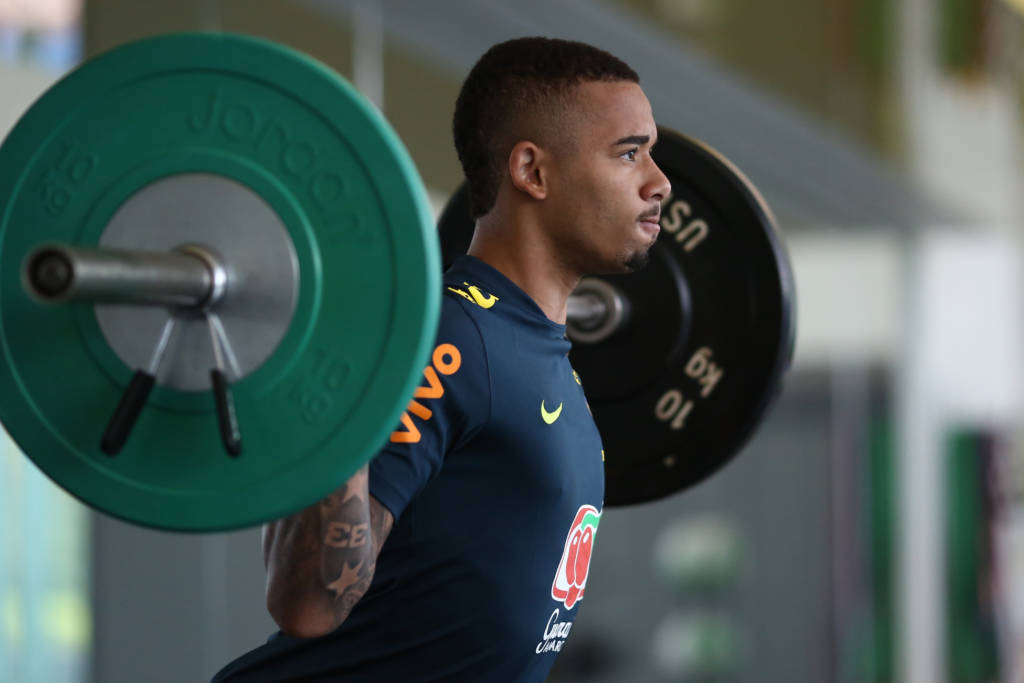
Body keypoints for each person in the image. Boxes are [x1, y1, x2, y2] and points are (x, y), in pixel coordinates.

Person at [212, 36, 670, 682]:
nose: (660, 181)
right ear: (532, 171)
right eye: (629, 153)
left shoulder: (536, 351)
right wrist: (344, 359)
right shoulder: (451, 337)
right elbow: (310, 601)